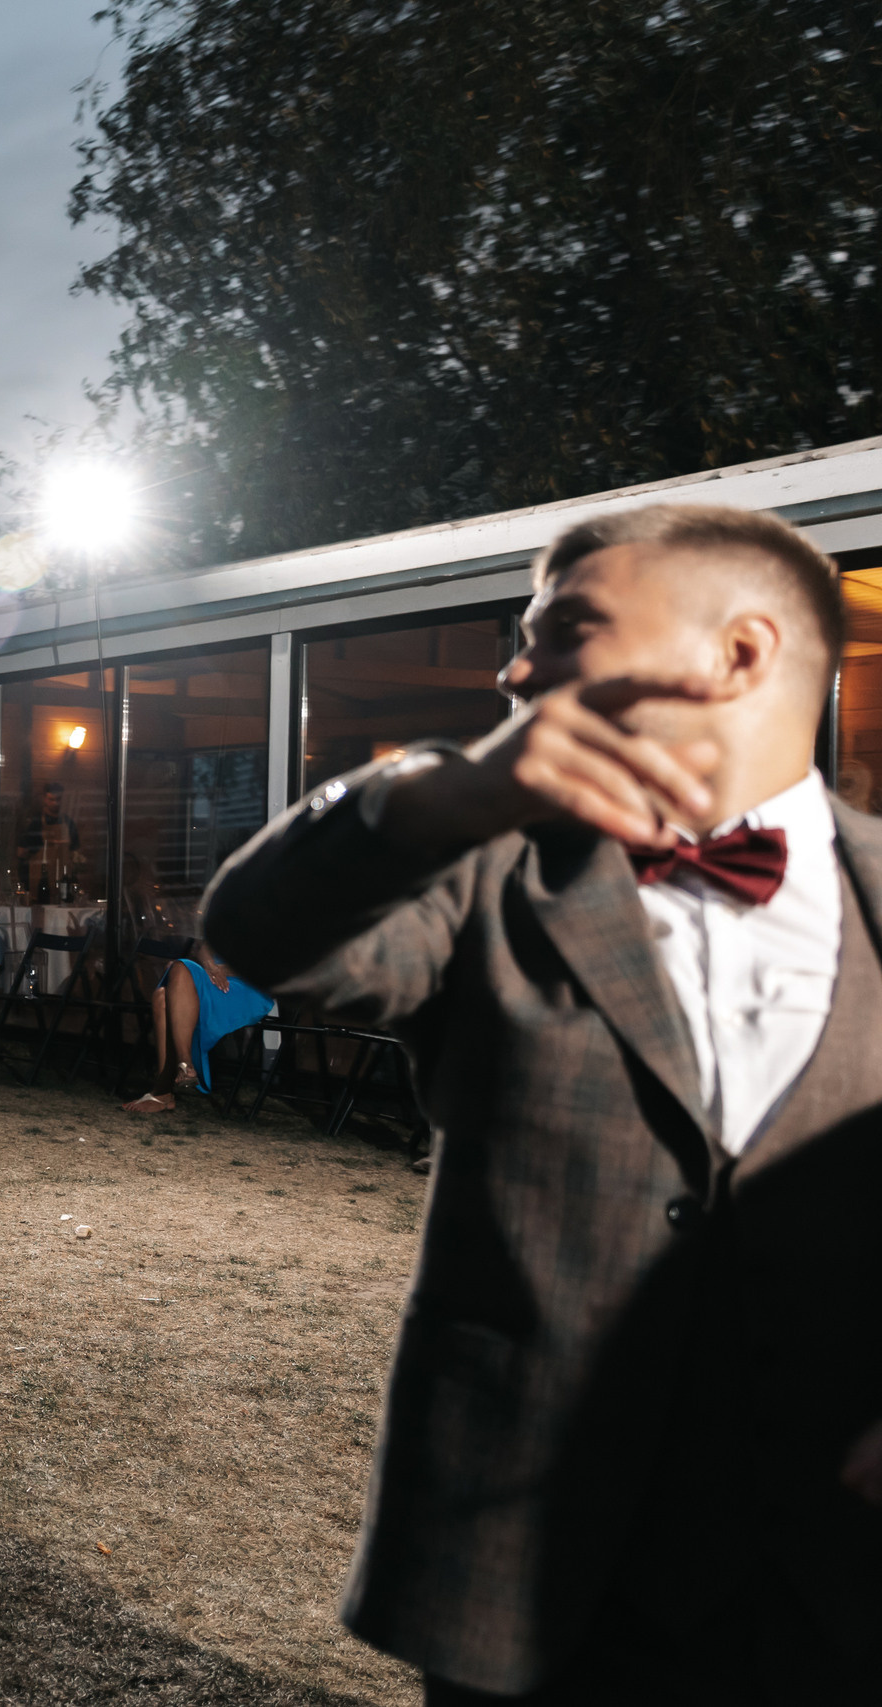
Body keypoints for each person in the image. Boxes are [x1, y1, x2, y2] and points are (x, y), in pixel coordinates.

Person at [204, 504, 882, 1703]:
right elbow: (260, 934)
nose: (516, 668)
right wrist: (428, 798)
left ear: (740, 652)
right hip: (525, 1576)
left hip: (835, 1580)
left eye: (563, 627)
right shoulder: (484, 873)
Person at [119, 941, 271, 1113]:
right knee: (163, 994)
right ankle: (168, 1088)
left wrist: (221, 970)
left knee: (181, 967)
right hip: (212, 976)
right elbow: (205, 947)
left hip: (246, 986)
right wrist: (210, 967)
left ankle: (180, 1068)